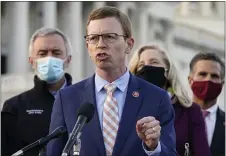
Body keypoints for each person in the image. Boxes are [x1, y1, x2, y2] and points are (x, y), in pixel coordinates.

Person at [47, 6, 177, 156]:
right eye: (94, 38)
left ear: (129, 44)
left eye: (110, 37)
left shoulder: (157, 98)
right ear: (88, 46)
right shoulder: (67, 99)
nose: (100, 44)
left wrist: (154, 148)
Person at [129, 44, 211, 156]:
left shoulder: (191, 111)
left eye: (154, 62)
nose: (147, 67)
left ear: (167, 71)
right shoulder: (127, 109)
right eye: (141, 65)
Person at [1, 27, 73, 156]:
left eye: (56, 53)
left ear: (68, 60)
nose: (49, 58)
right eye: (42, 53)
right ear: (31, 61)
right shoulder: (14, 107)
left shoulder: (86, 102)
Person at [188, 52, 225, 156]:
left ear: (222, 84)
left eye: (214, 76)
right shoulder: (173, 116)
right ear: (190, 80)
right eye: (202, 74)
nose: (208, 79)